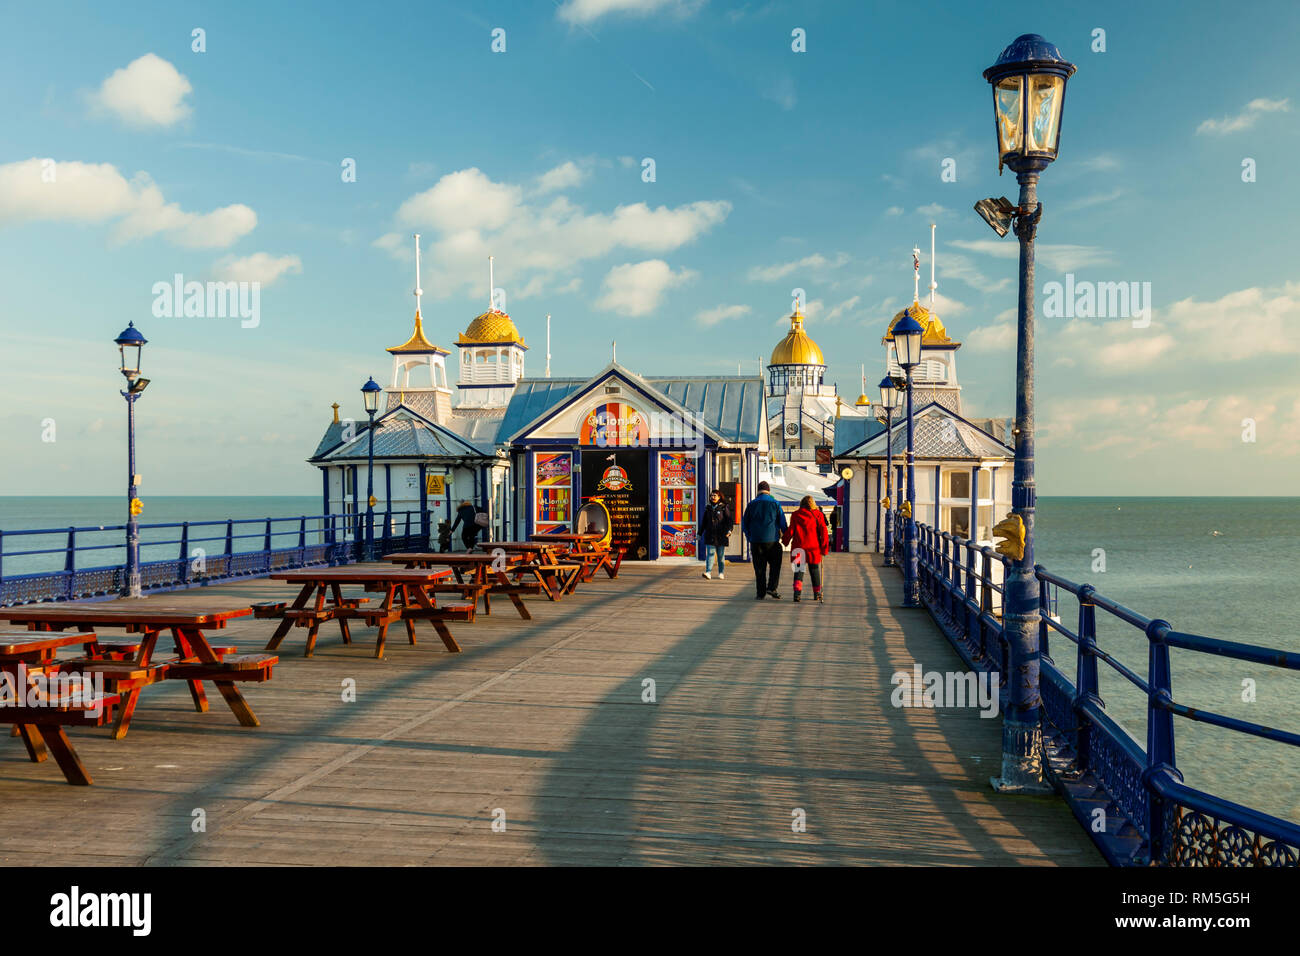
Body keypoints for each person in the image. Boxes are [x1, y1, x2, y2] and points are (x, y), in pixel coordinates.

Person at [742, 481, 787, 599]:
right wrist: (786, 537)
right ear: (768, 490)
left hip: (756, 541)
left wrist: (749, 537)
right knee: (775, 566)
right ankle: (772, 588)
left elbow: (745, 523)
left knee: (759, 568)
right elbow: (782, 522)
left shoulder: (751, 504)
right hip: (772, 541)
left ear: (758, 491)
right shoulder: (775, 503)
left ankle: (760, 593)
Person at [786, 495, 829, 603]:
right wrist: (824, 548)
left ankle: (797, 594)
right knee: (814, 570)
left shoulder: (795, 515)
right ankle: (817, 594)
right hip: (813, 548)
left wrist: (784, 540)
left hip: (798, 547)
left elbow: (791, 530)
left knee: (799, 571)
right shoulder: (818, 515)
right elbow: (823, 532)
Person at [698, 489, 733, 580]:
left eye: (715, 495)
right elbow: (704, 522)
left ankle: (721, 572)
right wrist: (699, 533)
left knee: (720, 556)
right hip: (710, 535)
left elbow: (729, 521)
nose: (713, 497)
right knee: (710, 553)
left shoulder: (724, 507)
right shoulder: (708, 508)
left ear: (719, 497)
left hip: (721, 535)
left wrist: (729, 531)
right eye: (711, 495)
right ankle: (708, 572)